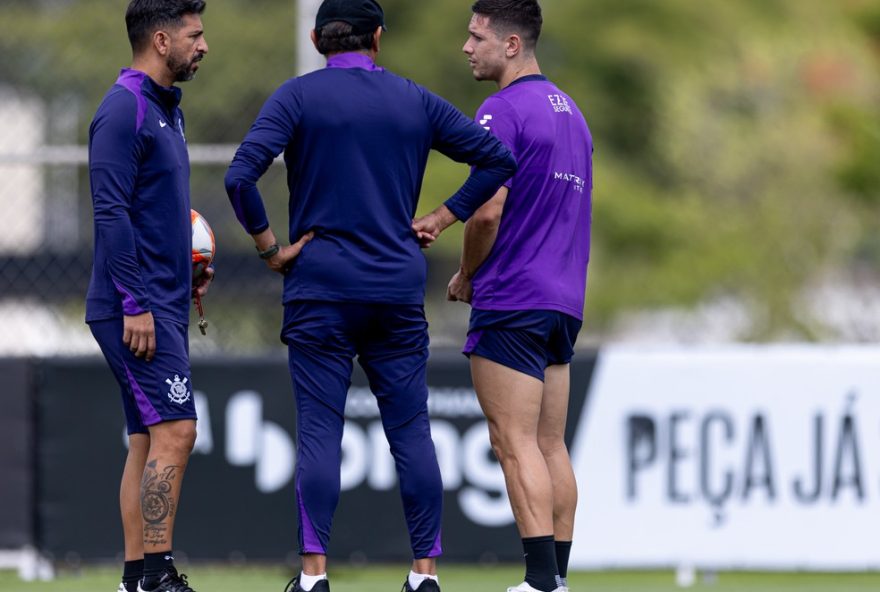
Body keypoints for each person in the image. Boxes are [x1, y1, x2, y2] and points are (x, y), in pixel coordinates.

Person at [224, 0, 515, 590]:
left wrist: (269, 248)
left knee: (318, 432)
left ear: (316, 38)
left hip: (320, 289)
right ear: (377, 38)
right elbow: (496, 159)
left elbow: (239, 177)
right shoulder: (414, 98)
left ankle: (313, 575)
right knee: (410, 429)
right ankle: (425, 573)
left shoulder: (297, 97)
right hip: (396, 291)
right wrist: (442, 215)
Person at [445, 1, 593, 591]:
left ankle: (538, 582)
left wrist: (465, 275)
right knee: (551, 444)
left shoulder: (502, 108)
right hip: (564, 301)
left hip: (512, 296)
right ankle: (557, 578)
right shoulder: (574, 116)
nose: (466, 46)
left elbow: (487, 209)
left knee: (513, 441)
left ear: (511, 45)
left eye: (476, 36)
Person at [86, 1, 211, 591]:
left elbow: (150, 209)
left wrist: (190, 268)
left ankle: (136, 578)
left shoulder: (165, 110)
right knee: (176, 432)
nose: (203, 45)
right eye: (195, 34)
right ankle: (159, 578)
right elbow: (109, 211)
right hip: (134, 308)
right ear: (161, 41)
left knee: (146, 439)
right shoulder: (124, 109)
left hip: (164, 300)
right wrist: (135, 303)